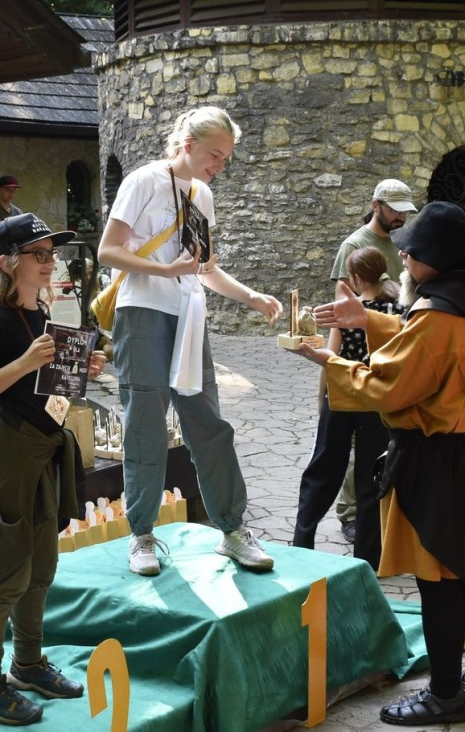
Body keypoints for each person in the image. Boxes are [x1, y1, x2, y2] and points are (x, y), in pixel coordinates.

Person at [290, 201, 465, 725]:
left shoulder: (438, 315)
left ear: (430, 259)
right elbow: (422, 348)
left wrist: (328, 360)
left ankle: (445, 696)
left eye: (410, 255)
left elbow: (390, 383)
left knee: (437, 578)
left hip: (436, 459)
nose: (403, 263)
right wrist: (367, 318)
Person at [96, 106, 283, 577]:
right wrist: (166, 270)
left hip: (189, 316)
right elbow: (108, 251)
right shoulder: (144, 180)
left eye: (226, 157)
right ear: (187, 144)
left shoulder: (202, 194)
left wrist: (251, 297)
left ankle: (232, 530)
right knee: (146, 423)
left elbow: (205, 269)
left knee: (209, 423)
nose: (220, 165)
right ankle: (141, 534)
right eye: (215, 155)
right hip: (142, 311)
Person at [0, 212, 106, 726]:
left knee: (42, 569)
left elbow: (49, 386)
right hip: (7, 455)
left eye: (51, 254)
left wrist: (81, 367)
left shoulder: (42, 313)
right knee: (5, 577)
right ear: (8, 262)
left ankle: (27, 664)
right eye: (38, 254)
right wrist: (25, 362)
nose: (49, 262)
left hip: (43, 450)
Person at [291, 247, 404, 569]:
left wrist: (321, 397)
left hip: (341, 397)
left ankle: (302, 543)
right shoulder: (396, 308)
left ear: (354, 277)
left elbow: (331, 357)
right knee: (371, 478)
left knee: (322, 470)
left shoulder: (347, 311)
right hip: (374, 399)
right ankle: (369, 559)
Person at [329, 178, 418, 540]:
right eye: (395, 210)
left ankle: (378, 507)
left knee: (386, 440)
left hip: (395, 353)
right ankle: (350, 513)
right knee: (358, 445)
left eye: (405, 211)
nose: (400, 217)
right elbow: (343, 300)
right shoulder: (354, 245)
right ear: (376, 205)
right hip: (361, 355)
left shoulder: (402, 241)